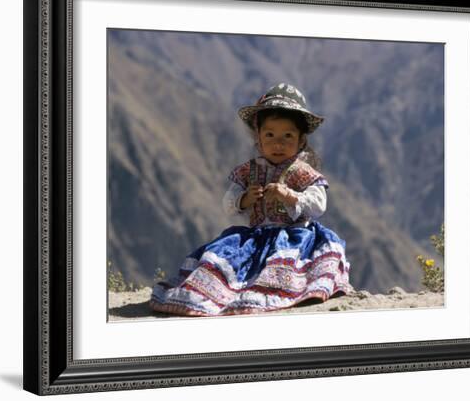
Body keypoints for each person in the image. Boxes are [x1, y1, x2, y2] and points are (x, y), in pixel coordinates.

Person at [150, 83, 352, 316]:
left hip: (295, 237)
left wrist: (290, 196)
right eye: (270, 134)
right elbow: (228, 203)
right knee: (222, 266)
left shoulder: (303, 172)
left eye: (288, 135)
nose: (278, 143)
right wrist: (244, 200)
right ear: (258, 137)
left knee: (288, 269)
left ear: (301, 140)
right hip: (254, 238)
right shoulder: (248, 172)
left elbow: (319, 204)